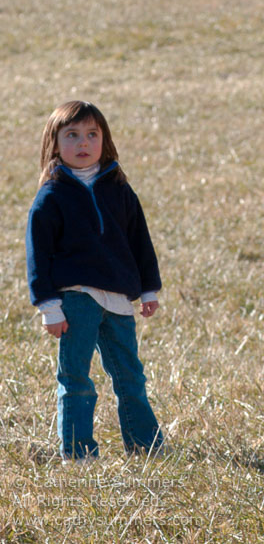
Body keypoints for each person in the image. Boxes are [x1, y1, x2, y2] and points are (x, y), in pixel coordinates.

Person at [25, 100, 164, 461]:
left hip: (119, 300)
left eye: (92, 134)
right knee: (76, 381)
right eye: (72, 135)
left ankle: (145, 444)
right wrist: (48, 306)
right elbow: (37, 255)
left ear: (105, 139)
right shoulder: (52, 196)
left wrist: (148, 288)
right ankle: (78, 451)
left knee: (131, 377)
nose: (83, 143)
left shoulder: (119, 189)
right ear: (55, 143)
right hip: (75, 300)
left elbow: (140, 243)